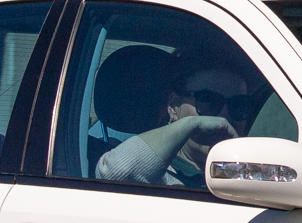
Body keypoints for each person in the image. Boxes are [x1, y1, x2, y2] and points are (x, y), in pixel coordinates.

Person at [95, 57, 250, 187]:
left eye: (238, 105)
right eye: (208, 101)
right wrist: (190, 125)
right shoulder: (160, 177)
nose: (224, 116)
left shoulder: (250, 176)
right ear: (174, 106)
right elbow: (114, 174)